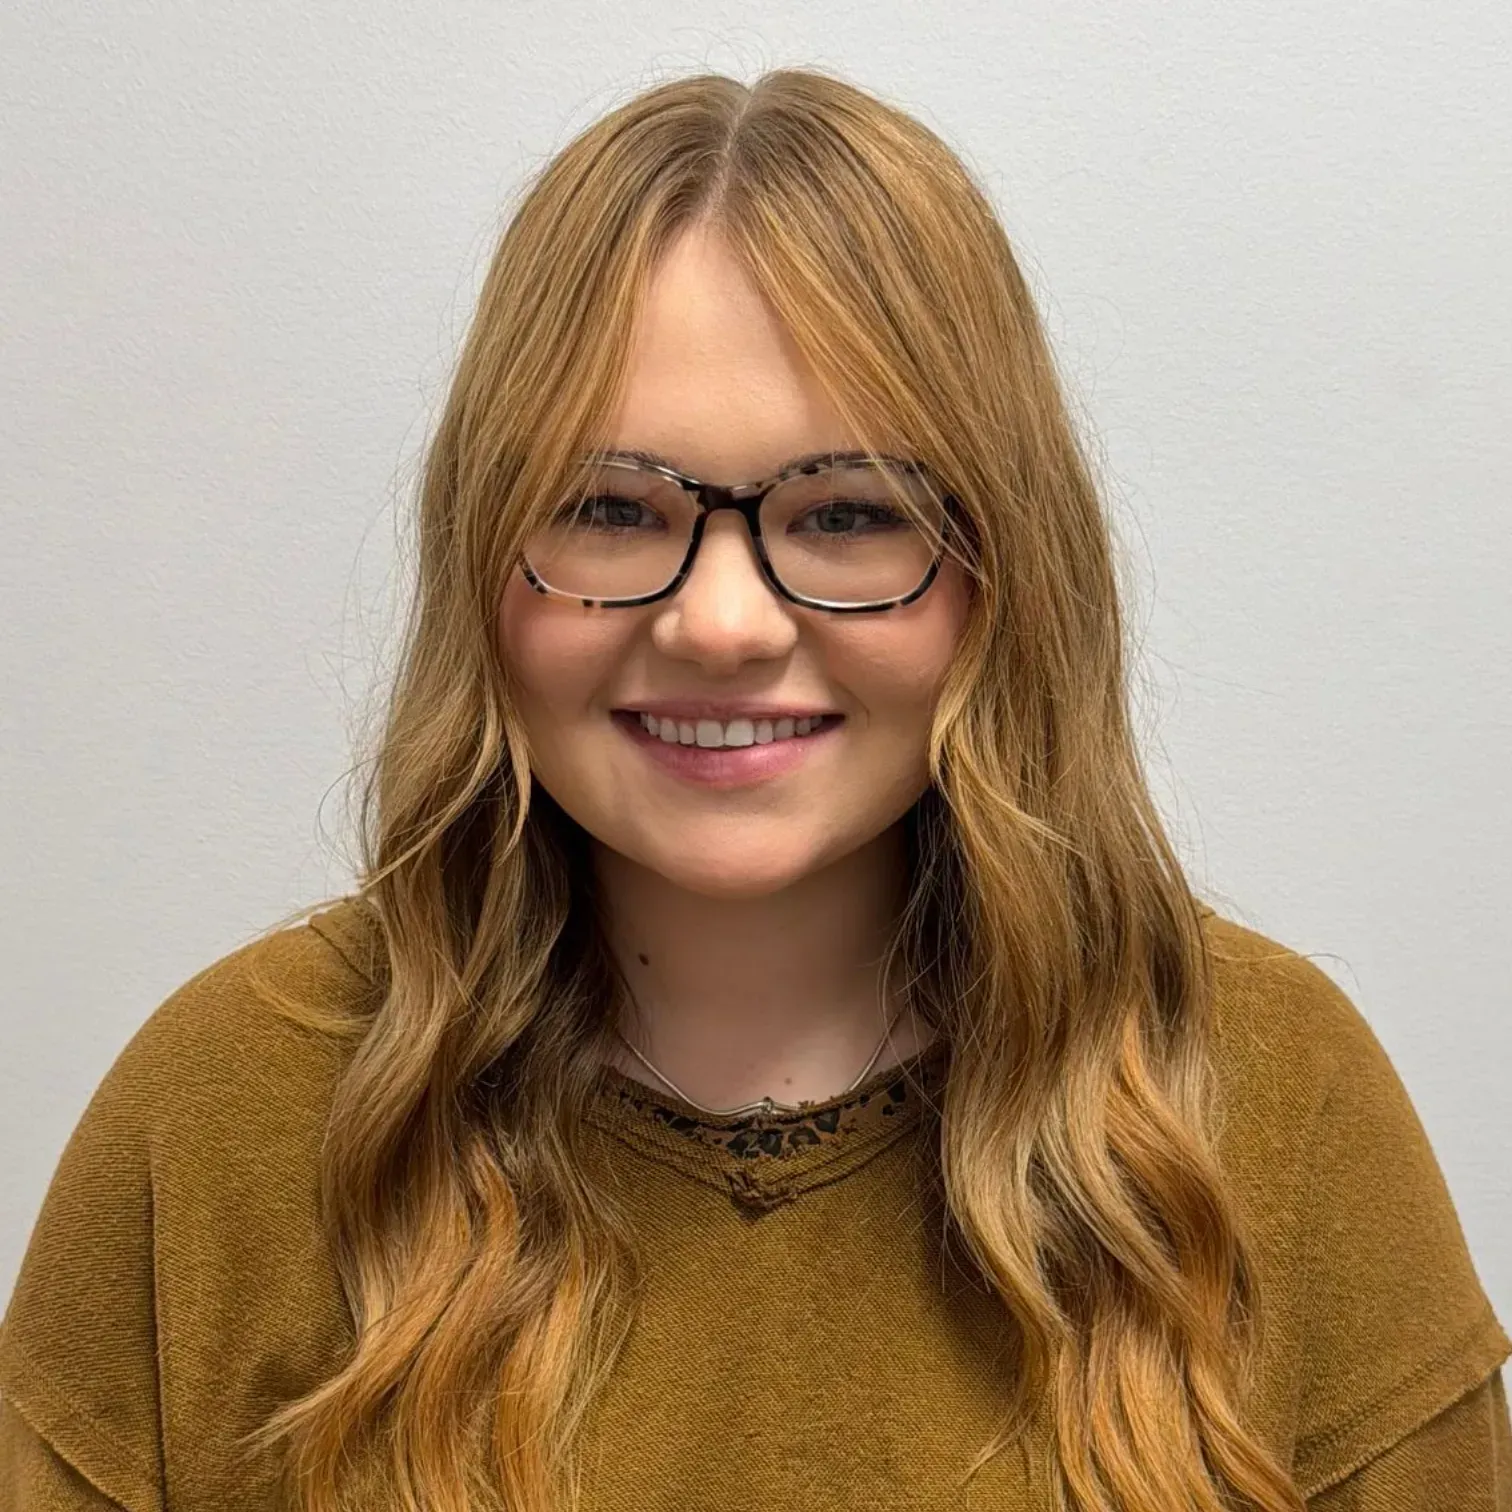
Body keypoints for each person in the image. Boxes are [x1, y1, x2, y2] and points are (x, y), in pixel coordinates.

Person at [1, 66, 1506, 1512]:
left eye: (846, 513)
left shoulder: (1269, 1103)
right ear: (478, 552)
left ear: (1007, 567)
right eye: (608, 507)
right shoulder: (221, 1118)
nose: (721, 624)